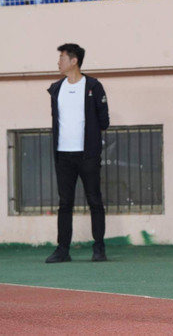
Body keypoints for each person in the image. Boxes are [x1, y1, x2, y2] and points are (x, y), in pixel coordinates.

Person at [45, 43, 110, 263]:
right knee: (65, 203)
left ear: (74, 61)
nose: (58, 62)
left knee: (94, 200)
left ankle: (99, 248)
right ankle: (63, 249)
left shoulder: (93, 86)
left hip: (87, 155)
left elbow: (104, 121)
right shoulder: (56, 88)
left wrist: (90, 139)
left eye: (62, 57)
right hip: (63, 155)